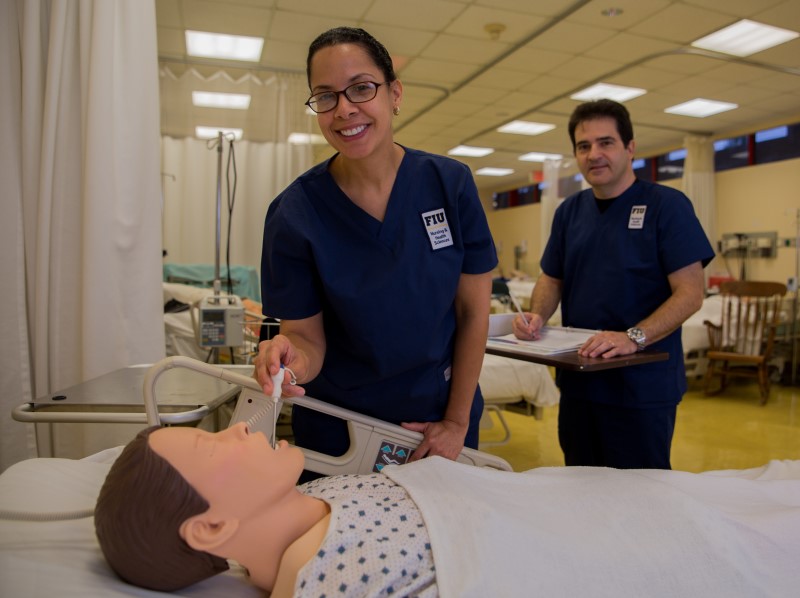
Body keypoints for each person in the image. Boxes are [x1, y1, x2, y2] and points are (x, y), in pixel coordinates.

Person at [94, 424, 800, 597]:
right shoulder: (331, 583)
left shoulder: (317, 501)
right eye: (214, 442)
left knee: (699, 490)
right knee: (739, 528)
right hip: (583, 547)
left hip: (568, 501)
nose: (240, 427)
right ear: (213, 527)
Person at [254, 27, 497, 466]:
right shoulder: (294, 214)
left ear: (394, 94)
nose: (345, 109)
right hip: (338, 429)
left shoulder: (449, 185)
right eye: (325, 96)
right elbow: (306, 337)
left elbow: (472, 312)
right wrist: (290, 362)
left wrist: (457, 422)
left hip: (439, 419)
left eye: (361, 88)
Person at [513, 99, 715, 470]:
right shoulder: (569, 212)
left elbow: (690, 293)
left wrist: (632, 337)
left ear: (630, 148)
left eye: (606, 142)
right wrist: (536, 316)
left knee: (640, 496)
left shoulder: (667, 207)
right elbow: (551, 277)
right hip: (581, 382)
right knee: (581, 484)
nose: (594, 154)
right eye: (584, 146)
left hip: (641, 386)